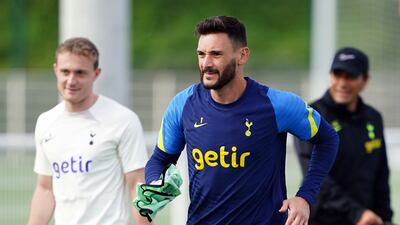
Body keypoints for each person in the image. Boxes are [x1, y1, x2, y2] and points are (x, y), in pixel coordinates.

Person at [144, 16, 339, 225]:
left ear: (242, 55)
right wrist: (156, 185)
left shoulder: (277, 104)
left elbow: (328, 139)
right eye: (201, 54)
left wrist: (305, 197)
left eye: (216, 54)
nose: (206, 63)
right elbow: (160, 159)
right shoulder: (183, 104)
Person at [27, 37, 151, 225]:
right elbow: (45, 189)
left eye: (80, 73)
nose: (71, 80)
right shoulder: (46, 122)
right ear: (55, 70)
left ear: (96, 73)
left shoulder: (123, 120)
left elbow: (137, 186)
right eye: (65, 72)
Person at [294, 47, 394, 225]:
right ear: (330, 75)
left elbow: (381, 176)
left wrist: (385, 218)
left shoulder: (373, 118)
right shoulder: (311, 115)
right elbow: (316, 178)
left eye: (350, 76)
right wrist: (357, 214)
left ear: (365, 80)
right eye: (337, 75)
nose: (342, 83)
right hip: (323, 220)